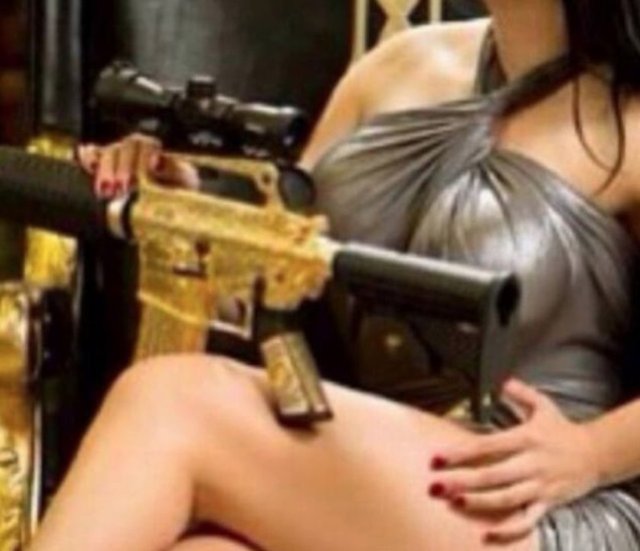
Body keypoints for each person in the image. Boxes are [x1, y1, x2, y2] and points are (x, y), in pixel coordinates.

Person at [31, 0, 640, 549]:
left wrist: (590, 454)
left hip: (533, 499)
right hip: (372, 475)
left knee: (171, 401)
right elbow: (272, 282)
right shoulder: (398, 67)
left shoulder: (631, 117)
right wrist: (180, 209)